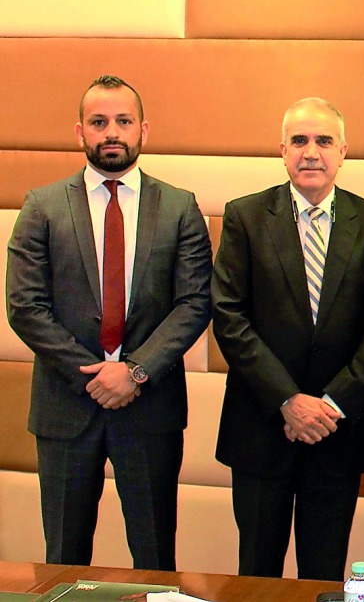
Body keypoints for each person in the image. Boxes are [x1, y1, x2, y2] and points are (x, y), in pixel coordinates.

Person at [6, 75, 212, 570]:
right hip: (66, 408)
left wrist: (134, 371)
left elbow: (194, 302)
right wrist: (97, 376)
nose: (111, 132)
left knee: (156, 557)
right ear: (80, 132)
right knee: (63, 559)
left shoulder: (180, 206)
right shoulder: (42, 206)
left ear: (144, 129)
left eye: (123, 121)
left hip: (150, 406)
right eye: (99, 122)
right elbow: (25, 306)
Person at [211, 97, 364, 581]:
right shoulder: (245, 217)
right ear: (282, 151)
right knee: (257, 574)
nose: (310, 152)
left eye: (323, 141)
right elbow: (229, 316)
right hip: (260, 427)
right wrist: (287, 400)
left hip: (338, 432)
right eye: (299, 141)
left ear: (343, 152)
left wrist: (331, 405)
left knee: (324, 574)